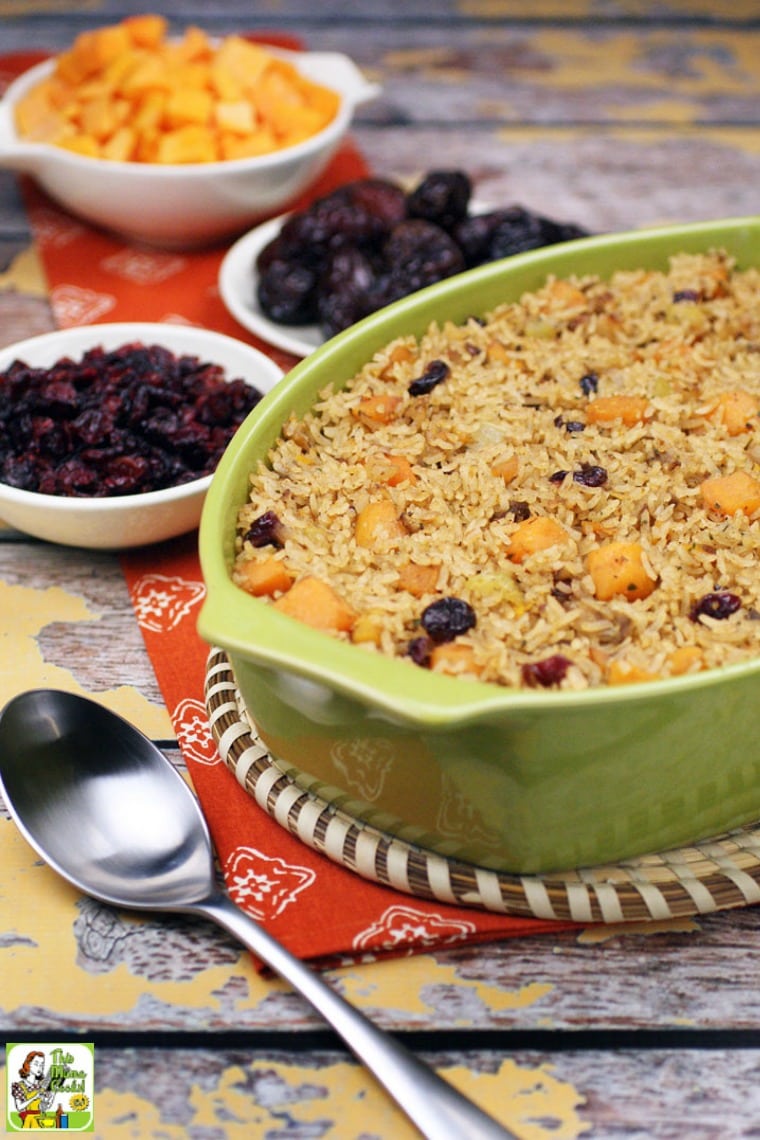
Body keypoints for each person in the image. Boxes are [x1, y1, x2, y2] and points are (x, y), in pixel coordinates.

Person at [10, 1051, 54, 1129]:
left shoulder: (42, 1085)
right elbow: (19, 1107)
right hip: (29, 1121)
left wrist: (52, 1094)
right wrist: (34, 1097)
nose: (40, 1068)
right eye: (36, 1064)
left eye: (42, 1065)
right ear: (28, 1064)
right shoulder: (19, 1086)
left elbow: (46, 1106)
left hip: (41, 1120)